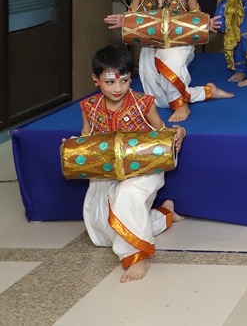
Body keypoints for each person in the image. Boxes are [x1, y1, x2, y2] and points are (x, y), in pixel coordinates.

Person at [77, 45, 185, 282]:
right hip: (107, 172)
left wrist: (179, 133)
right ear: (96, 79)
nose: (118, 88)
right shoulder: (89, 107)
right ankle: (165, 213)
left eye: (124, 81)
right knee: (104, 235)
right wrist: (72, 149)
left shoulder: (143, 103)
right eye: (110, 82)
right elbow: (87, 141)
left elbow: (162, 132)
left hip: (144, 169)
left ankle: (138, 257)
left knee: (126, 197)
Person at [104, 0, 232, 122]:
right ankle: (207, 91)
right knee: (160, 101)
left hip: (180, 46)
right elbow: (132, 16)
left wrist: (207, 25)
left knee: (170, 69)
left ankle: (182, 106)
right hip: (150, 46)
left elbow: (197, 18)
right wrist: (124, 20)